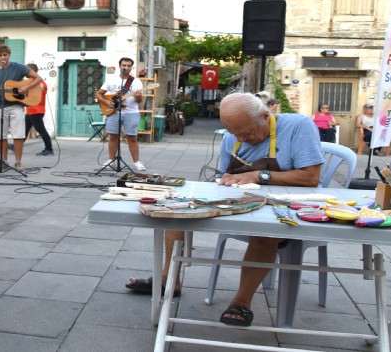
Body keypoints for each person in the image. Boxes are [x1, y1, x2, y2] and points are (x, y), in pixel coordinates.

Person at [125, 92, 324, 327]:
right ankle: (169, 280)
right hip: (241, 200)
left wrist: (260, 175)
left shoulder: (298, 126)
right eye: (233, 132)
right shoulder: (234, 137)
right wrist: (222, 183)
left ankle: (242, 301)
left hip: (287, 205)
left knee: (265, 230)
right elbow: (222, 176)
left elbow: (311, 177)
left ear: (265, 115)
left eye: (247, 132)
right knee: (175, 212)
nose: (240, 138)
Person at [0, 44, 42, 172]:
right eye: (0, 55)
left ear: (9, 55)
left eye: (5, 55)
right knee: (1, 135)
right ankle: (4, 161)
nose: (2, 57)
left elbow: (38, 78)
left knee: (18, 134)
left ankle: (18, 162)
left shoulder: (18, 67)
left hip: (17, 105)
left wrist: (26, 88)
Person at [95, 57, 146, 171]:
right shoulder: (111, 80)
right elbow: (99, 94)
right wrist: (106, 102)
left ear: (131, 67)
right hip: (114, 112)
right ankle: (111, 160)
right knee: (113, 136)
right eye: (124, 65)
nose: (126, 67)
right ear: (120, 66)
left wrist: (138, 97)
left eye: (128, 66)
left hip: (131, 112)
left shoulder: (136, 81)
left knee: (132, 137)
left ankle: (136, 162)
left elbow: (139, 100)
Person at [8, 64, 54, 156]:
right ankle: (16, 146)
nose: (26, 75)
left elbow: (33, 96)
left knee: (41, 130)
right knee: (25, 129)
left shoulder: (38, 83)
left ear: (32, 71)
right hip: (32, 110)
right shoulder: (34, 82)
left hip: (36, 110)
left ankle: (49, 149)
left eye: (27, 72)